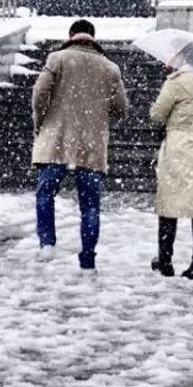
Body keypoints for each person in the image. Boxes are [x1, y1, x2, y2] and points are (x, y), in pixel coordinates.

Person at [32, 19, 129, 273]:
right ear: (93, 37)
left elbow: (39, 94)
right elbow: (121, 107)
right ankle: (88, 258)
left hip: (57, 139)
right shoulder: (110, 68)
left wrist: (41, 121)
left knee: (45, 193)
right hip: (91, 143)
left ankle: (47, 242)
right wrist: (96, 109)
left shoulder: (57, 59)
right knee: (90, 205)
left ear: (71, 35)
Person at [149, 42, 193, 283]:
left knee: (170, 203)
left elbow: (157, 115)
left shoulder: (176, 82)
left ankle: (165, 261)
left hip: (178, 144)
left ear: (181, 58)